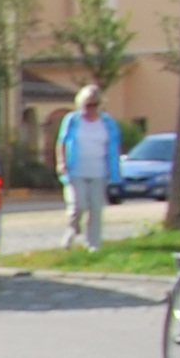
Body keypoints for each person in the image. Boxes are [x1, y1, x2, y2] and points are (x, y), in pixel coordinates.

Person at [56, 85, 121, 253]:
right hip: (75, 171)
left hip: (99, 171)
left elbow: (114, 146)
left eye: (93, 105)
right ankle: (72, 229)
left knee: (96, 209)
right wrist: (61, 162)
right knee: (78, 206)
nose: (89, 109)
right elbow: (62, 142)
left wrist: (115, 170)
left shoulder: (108, 123)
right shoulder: (72, 120)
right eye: (86, 105)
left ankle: (93, 244)